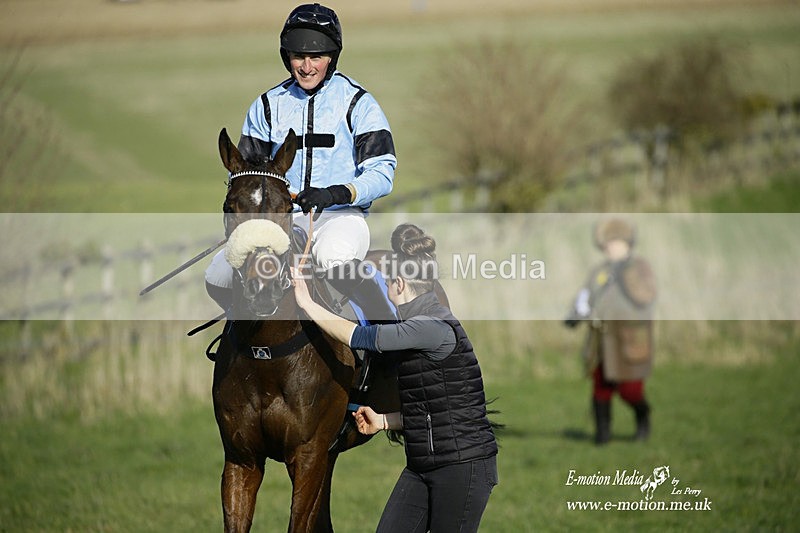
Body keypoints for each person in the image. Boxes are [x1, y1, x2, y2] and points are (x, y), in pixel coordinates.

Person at [293, 223, 498, 533]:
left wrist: (307, 303)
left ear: (399, 284)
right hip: (421, 466)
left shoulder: (430, 326)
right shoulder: (419, 324)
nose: (384, 286)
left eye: (387, 281)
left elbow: (359, 336)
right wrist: (384, 421)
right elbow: (434, 408)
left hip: (462, 467)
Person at [205, 3, 397, 321]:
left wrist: (335, 193)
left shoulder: (359, 104)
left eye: (316, 57)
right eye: (298, 56)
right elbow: (246, 176)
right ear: (287, 57)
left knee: (331, 257)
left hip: (341, 219)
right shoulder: (266, 106)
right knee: (217, 275)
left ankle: (385, 339)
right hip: (281, 222)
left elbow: (383, 174)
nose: (306, 67)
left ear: (332, 58)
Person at [565, 218, 657, 445]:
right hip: (601, 337)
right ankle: (602, 435)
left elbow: (646, 296)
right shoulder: (599, 271)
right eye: (607, 243)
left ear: (627, 243)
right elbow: (586, 296)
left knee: (630, 389)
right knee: (601, 387)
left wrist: (626, 274)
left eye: (615, 242)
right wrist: (576, 314)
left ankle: (642, 416)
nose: (610, 247)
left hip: (630, 337)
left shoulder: (639, 268)